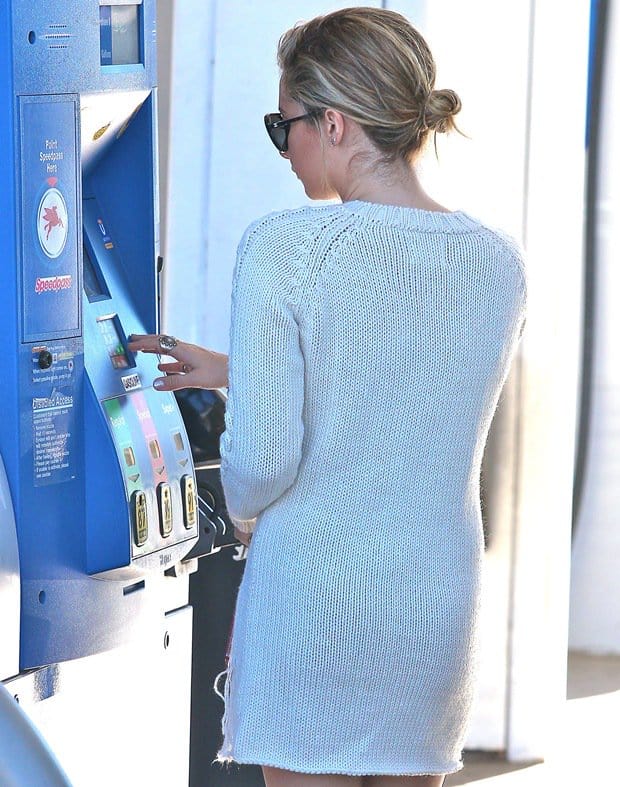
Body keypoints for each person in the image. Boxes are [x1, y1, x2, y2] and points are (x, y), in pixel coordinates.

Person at [129, 7, 526, 787]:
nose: (283, 149)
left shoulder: (285, 247)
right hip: (432, 605)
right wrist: (237, 367)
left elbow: (263, 464)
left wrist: (241, 505)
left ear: (335, 124)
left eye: (286, 128)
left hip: (318, 599)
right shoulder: (495, 263)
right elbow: (404, 385)